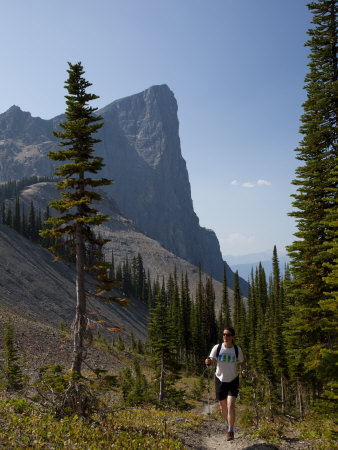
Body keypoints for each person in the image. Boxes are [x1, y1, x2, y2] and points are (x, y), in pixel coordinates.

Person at [205, 327, 246, 441]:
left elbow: (242, 363)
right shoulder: (217, 348)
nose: (225, 337)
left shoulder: (237, 350)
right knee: (223, 407)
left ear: (232, 337)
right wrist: (208, 361)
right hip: (220, 380)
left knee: (230, 405)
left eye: (228, 335)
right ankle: (228, 423)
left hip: (233, 380)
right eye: (224, 334)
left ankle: (230, 430)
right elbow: (211, 359)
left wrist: (243, 371)